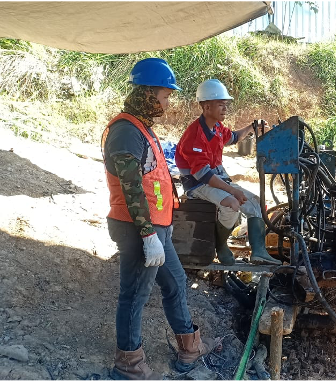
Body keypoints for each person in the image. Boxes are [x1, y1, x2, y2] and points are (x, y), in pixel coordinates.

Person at [102, 58, 217, 380]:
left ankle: (190, 348)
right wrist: (148, 235)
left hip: (157, 228)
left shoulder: (140, 128)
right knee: (134, 295)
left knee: (176, 283)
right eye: (165, 96)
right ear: (148, 93)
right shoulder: (125, 131)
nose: (167, 103)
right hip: (139, 229)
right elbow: (131, 187)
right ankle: (129, 366)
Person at [174, 78, 281, 266]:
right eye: (221, 105)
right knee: (232, 204)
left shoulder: (216, 128)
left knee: (255, 202)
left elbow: (232, 137)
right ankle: (221, 245)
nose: (225, 109)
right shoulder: (194, 135)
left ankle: (259, 252)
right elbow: (203, 175)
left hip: (215, 178)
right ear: (206, 107)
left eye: (226, 105)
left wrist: (251, 127)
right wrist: (233, 190)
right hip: (197, 184)